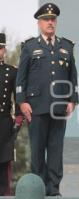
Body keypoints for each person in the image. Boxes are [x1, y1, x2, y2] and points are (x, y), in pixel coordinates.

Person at [16, 3, 79, 196]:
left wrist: (72, 99)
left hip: (59, 107)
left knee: (55, 151)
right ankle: (38, 189)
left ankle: (54, 190)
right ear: (39, 23)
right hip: (36, 107)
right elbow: (21, 78)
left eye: (53, 19)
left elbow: (72, 76)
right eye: (46, 19)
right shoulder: (30, 47)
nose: (50, 22)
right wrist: (22, 101)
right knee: (37, 151)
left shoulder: (66, 46)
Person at [0, 33, 23, 196]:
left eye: (0, 48)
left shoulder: (11, 72)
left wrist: (18, 121)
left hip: (4, 125)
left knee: (4, 167)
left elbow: (19, 98)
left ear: (4, 50)